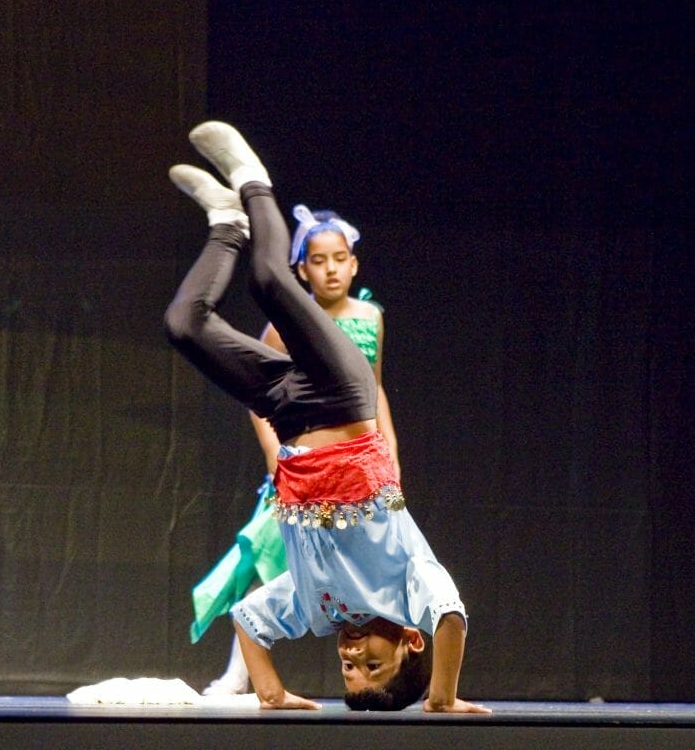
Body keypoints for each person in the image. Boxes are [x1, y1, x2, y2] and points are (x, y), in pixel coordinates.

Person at [164, 121, 488, 714]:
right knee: (270, 280)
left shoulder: (314, 608)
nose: (353, 653)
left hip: (288, 414)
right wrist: (441, 698)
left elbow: (249, 619)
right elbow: (451, 617)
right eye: (373, 663)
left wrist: (271, 693)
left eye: (348, 668)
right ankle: (254, 181)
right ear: (410, 641)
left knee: (184, 326)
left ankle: (227, 224)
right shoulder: (411, 587)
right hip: (343, 399)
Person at [189, 203, 400, 697]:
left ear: (354, 264)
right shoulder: (289, 323)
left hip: (358, 467)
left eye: (339, 259)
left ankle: (387, 671)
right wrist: (275, 452)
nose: (331, 270)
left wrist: (389, 448)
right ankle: (239, 673)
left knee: (379, 564)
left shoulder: (370, 317)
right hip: (303, 462)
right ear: (302, 270)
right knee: (269, 560)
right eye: (319, 261)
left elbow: (374, 387)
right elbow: (261, 394)